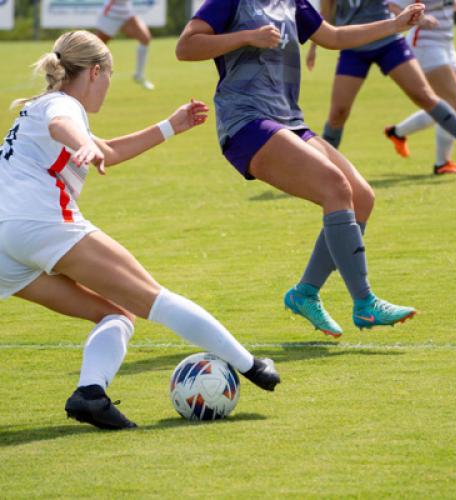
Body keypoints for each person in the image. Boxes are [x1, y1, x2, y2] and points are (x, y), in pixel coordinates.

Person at [0, 30, 280, 431]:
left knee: (115, 314)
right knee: (155, 299)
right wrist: (84, 143)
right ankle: (251, 366)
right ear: (96, 72)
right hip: (39, 223)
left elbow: (106, 151)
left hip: (4, 247)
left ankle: (90, 396)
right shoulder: (63, 104)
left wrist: (170, 126)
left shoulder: (38, 107)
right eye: (110, 76)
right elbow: (65, 126)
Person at [176, 0, 426, 338]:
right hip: (245, 120)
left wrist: (394, 25)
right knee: (335, 186)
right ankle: (365, 303)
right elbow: (185, 47)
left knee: (361, 197)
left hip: (288, 120)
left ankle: (305, 293)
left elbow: (334, 37)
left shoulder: (292, 2)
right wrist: (247, 36)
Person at [305, 0, 456, 170]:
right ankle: (322, 168)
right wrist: (314, 47)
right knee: (338, 113)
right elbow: (326, 11)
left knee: (425, 96)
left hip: (389, 40)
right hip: (354, 46)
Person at [385, 0, 456, 174]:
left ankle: (397, 132)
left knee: (444, 105)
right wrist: (418, 19)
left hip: (447, 43)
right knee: (451, 104)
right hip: (426, 44)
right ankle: (442, 163)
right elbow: (391, 5)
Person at [96, 0, 155, 90]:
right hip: (111, 13)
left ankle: (139, 75)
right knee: (96, 47)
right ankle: (86, 76)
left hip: (127, 14)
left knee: (145, 39)